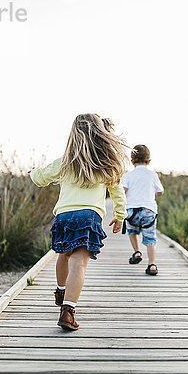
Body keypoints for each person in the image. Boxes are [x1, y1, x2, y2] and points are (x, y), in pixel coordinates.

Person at [30, 114, 127, 330]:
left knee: (63, 255)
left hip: (63, 216)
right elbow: (118, 192)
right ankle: (68, 312)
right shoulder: (106, 163)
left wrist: (33, 173)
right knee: (78, 263)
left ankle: (60, 290)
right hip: (88, 216)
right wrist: (119, 215)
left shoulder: (65, 161)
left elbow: (40, 178)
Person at [122, 144, 164, 275]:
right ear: (149, 161)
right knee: (151, 238)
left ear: (132, 161)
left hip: (131, 211)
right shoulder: (152, 175)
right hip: (148, 210)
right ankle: (152, 265)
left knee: (132, 231)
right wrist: (153, 193)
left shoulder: (128, 175)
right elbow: (160, 191)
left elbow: (123, 190)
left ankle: (137, 252)